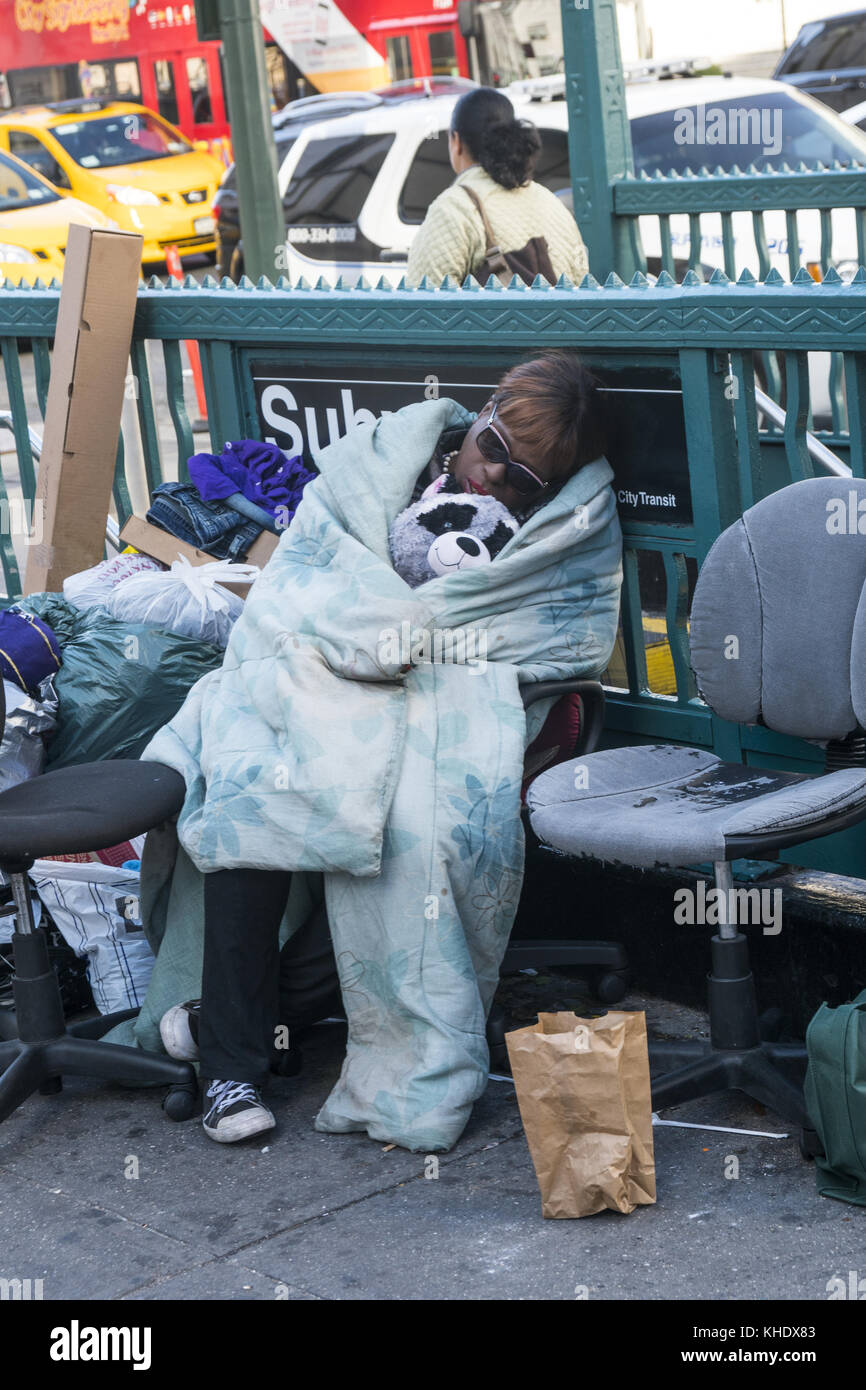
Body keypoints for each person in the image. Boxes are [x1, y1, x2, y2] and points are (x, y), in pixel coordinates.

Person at [149, 350, 621, 1147]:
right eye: (493, 450)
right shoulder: (382, 460)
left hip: (438, 694)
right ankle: (231, 1069)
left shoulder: (565, 529)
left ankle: (238, 1019)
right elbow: (298, 580)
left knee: (406, 831)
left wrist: (415, 639)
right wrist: (365, 636)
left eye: (522, 482)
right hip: (311, 673)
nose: (493, 480)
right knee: (256, 784)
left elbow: (549, 632)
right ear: (482, 413)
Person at [406, 87, 589, 290]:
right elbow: (582, 283)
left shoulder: (454, 208)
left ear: (456, 142)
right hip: (561, 322)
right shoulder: (552, 204)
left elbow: (421, 305)